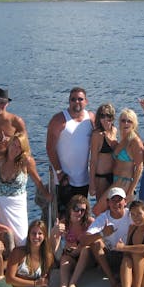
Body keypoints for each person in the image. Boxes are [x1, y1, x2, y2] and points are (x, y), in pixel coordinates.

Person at [0, 132, 50, 245]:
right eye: (13, 145)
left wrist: (48, 196)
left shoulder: (26, 162)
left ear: (23, 149)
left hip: (15, 205)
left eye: (19, 147)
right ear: (9, 145)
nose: (15, 149)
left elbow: (37, 181)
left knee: (22, 239)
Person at [46, 87, 95, 215]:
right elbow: (50, 148)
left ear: (86, 101)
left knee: (81, 218)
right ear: (69, 101)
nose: (77, 102)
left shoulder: (91, 118)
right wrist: (59, 172)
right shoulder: (59, 120)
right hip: (64, 181)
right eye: (73, 99)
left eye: (80, 99)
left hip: (84, 180)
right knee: (64, 218)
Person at [82, 187, 132, 287]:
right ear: (108, 203)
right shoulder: (103, 218)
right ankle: (113, 282)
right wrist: (102, 233)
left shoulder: (132, 215)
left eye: (119, 200)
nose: (116, 203)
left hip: (127, 254)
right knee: (96, 243)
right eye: (113, 200)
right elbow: (84, 240)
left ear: (125, 202)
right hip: (110, 255)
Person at [93, 108, 143, 215]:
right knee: (112, 213)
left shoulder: (135, 141)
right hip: (115, 180)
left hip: (124, 182)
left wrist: (130, 190)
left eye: (129, 121)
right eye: (123, 120)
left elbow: (139, 167)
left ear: (134, 124)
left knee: (97, 210)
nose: (126, 123)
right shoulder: (123, 139)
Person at [49, 194, 94, 287]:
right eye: (76, 209)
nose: (79, 213)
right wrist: (54, 233)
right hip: (71, 257)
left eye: (82, 210)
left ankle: (73, 284)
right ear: (70, 209)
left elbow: (97, 241)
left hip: (87, 258)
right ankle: (63, 285)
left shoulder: (89, 222)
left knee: (86, 250)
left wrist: (78, 249)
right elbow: (55, 250)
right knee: (64, 259)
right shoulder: (64, 223)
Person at [4, 219, 54, 287]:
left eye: (40, 233)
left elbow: (44, 280)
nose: (36, 236)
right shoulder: (18, 252)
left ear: (44, 236)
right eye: (33, 233)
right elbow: (9, 279)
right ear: (29, 235)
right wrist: (35, 283)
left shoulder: (48, 257)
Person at [88, 103, 117, 204]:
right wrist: (92, 183)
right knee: (102, 208)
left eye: (108, 116)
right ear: (99, 118)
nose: (105, 119)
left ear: (112, 117)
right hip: (101, 178)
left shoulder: (114, 130)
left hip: (114, 176)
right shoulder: (97, 135)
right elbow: (93, 161)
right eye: (102, 116)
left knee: (113, 208)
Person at [0, 87, 27, 160]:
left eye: (3, 103)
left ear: (7, 104)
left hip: (8, 165)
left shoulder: (16, 121)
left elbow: (25, 146)